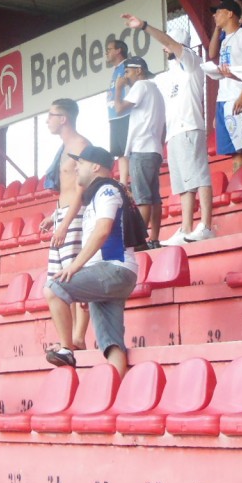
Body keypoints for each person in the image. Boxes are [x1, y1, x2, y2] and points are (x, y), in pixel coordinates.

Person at [43, 145, 138, 377]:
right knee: (112, 344)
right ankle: (117, 393)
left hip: (113, 268)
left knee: (54, 288)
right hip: (113, 272)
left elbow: (103, 230)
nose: (76, 167)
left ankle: (66, 349)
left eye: (82, 163)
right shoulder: (100, 192)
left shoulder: (106, 189)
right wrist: (88, 288)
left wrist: (75, 267)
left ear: (95, 166)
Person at [120, 14, 214, 245]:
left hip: (190, 126)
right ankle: (185, 228)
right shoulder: (169, 74)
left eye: (167, 44)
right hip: (174, 133)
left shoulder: (191, 61)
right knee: (183, 184)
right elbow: (143, 78)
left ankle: (206, 225)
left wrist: (144, 25)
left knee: (199, 177)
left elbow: (172, 44)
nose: (164, 49)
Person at [38, 98, 91, 350]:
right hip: (64, 214)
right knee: (60, 283)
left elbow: (81, 189)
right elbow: (67, 189)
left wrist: (65, 223)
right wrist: (54, 215)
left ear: (64, 118)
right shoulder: (64, 147)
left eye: (51, 115)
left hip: (76, 216)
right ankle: (68, 340)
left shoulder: (80, 145)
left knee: (75, 277)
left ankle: (78, 338)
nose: (47, 120)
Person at [113, 57, 166, 248]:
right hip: (154, 148)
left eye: (127, 72)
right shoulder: (155, 90)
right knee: (154, 198)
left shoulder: (141, 86)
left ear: (138, 70)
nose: (125, 76)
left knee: (143, 198)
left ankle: (140, 242)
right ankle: (154, 239)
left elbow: (118, 109)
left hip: (142, 148)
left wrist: (118, 89)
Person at [205, 0, 242, 170]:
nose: (215, 16)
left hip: (241, 97)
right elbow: (211, 53)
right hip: (225, 99)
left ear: (229, 14)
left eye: (219, 12)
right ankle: (240, 189)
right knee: (234, 153)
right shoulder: (225, 39)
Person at [105, 37, 130, 182]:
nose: (106, 53)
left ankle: (127, 180)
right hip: (114, 117)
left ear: (118, 50)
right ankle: (123, 181)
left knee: (126, 150)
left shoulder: (127, 66)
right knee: (120, 152)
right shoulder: (116, 69)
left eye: (109, 50)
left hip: (124, 115)